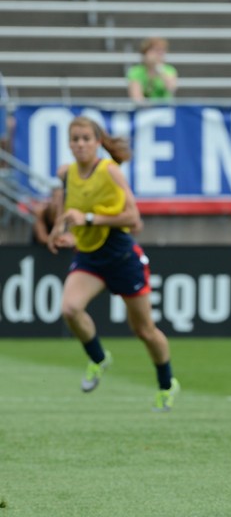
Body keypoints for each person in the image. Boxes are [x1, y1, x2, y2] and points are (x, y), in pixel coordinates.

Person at [47, 116, 180, 411]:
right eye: (75, 139)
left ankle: (167, 383)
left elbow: (134, 221)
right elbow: (70, 212)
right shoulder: (67, 173)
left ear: (98, 142)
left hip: (122, 258)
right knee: (70, 308)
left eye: (86, 139)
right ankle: (98, 358)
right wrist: (67, 234)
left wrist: (91, 219)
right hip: (90, 258)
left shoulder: (110, 171)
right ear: (68, 143)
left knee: (144, 330)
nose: (80, 144)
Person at [126, 37, 178, 102]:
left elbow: (171, 88)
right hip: (144, 110)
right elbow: (136, 98)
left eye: (162, 50)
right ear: (146, 53)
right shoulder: (136, 71)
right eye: (155, 50)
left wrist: (158, 68)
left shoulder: (169, 70)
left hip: (165, 109)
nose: (159, 54)